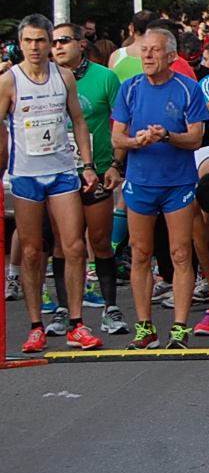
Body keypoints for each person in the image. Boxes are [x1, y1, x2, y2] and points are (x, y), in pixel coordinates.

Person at [2, 15, 102, 353]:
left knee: (74, 246)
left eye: (41, 41)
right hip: (26, 175)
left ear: (49, 43)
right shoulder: (9, 81)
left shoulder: (64, 77)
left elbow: (78, 121)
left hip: (62, 171)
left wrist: (87, 165)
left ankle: (76, 324)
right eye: (28, 41)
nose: (35, 47)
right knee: (32, 251)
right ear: (21, 43)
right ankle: (35, 326)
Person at [111, 26, 209, 349]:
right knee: (140, 253)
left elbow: (196, 138)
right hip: (140, 182)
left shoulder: (187, 89)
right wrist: (136, 141)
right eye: (144, 50)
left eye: (155, 50)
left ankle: (180, 327)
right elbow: (117, 138)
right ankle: (145, 327)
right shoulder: (129, 89)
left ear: (171, 56)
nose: (148, 56)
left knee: (181, 253)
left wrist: (166, 136)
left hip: (178, 182)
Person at [52, 22, 126, 336]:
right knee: (64, 244)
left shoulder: (105, 77)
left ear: (82, 44)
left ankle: (110, 308)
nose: (57, 47)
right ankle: (63, 308)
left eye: (64, 41)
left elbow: (122, 122)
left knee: (99, 241)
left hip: (96, 170)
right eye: (53, 42)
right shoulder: (44, 79)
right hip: (58, 171)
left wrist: (115, 166)